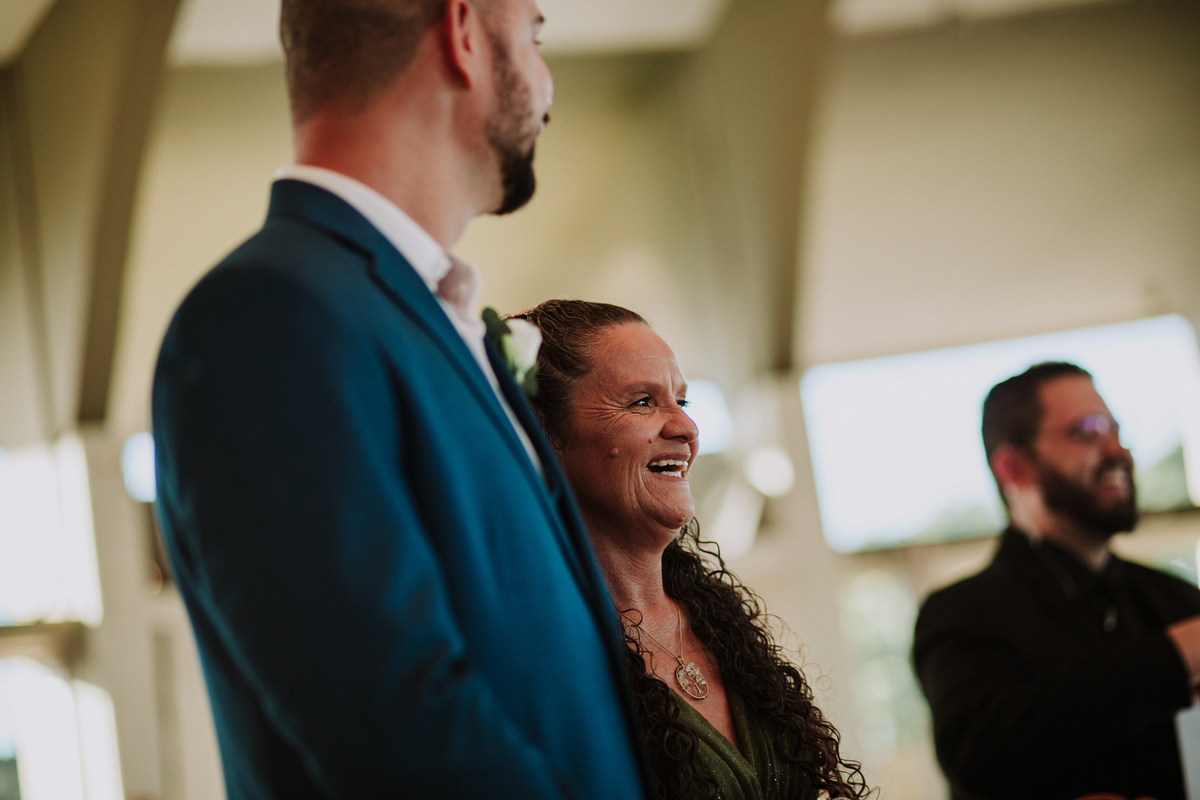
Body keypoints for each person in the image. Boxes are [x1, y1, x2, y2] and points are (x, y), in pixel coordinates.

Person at [151, 2, 653, 798]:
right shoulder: (267, 317)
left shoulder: (421, 318)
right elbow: (398, 724)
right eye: (534, 36)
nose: (547, 82)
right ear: (463, 34)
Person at [510, 299, 869, 800]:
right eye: (642, 402)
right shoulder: (528, 655)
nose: (686, 428)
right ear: (542, 434)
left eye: (682, 400)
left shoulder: (719, 623)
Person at [912, 361, 1200, 800]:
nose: (1118, 451)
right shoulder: (960, 612)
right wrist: (1174, 657)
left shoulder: (1176, 598)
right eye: (1087, 432)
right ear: (1014, 467)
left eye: (1116, 431)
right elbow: (978, 754)